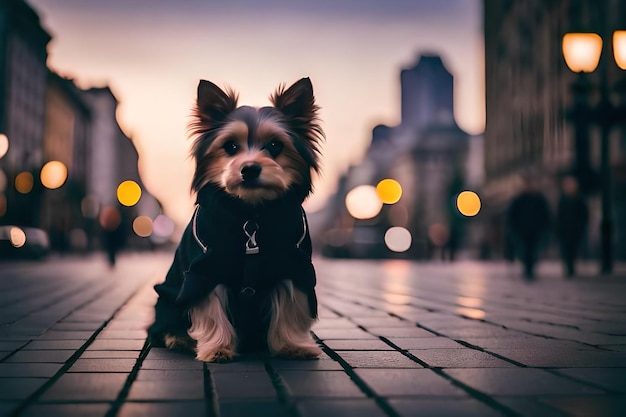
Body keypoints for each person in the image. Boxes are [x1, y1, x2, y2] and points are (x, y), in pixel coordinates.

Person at [505, 175, 551, 279]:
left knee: (533, 251)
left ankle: (530, 269)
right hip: (522, 232)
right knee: (525, 251)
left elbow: (545, 215)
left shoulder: (538, 199)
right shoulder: (518, 200)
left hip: (535, 231)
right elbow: (511, 216)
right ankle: (527, 269)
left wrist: (546, 228)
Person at [555, 176, 588, 277]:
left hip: (575, 230)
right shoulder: (563, 200)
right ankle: (568, 268)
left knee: (573, 249)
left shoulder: (579, 199)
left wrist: (580, 226)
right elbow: (559, 216)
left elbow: (584, 215)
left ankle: (571, 267)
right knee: (566, 250)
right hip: (564, 231)